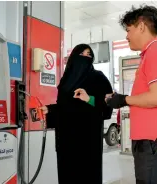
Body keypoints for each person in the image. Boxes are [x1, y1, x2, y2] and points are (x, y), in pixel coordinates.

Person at [105, 5, 157, 184]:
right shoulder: (151, 54)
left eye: (128, 30)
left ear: (141, 26)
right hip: (152, 140)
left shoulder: (156, 52)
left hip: (155, 141)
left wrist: (123, 99)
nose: (126, 36)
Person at [40, 44, 113, 184]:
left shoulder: (99, 78)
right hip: (66, 141)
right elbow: (66, 107)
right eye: (82, 54)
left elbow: (108, 106)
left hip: (87, 142)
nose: (86, 58)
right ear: (74, 57)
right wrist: (50, 109)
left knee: (87, 177)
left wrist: (89, 98)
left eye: (89, 55)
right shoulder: (66, 81)